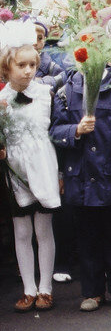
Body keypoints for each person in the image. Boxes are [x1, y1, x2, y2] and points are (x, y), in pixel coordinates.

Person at [51, 28, 111, 312]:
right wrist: (74, 130)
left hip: (110, 176)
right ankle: (91, 292)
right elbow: (54, 130)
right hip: (80, 178)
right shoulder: (67, 90)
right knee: (87, 239)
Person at [0, 21, 60, 312]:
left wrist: (59, 173)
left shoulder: (45, 95)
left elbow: (54, 134)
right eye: (20, 65)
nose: (27, 71)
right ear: (7, 69)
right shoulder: (2, 100)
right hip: (15, 170)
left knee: (43, 228)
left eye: (32, 65)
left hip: (43, 166)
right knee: (21, 231)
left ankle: (45, 288)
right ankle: (28, 288)